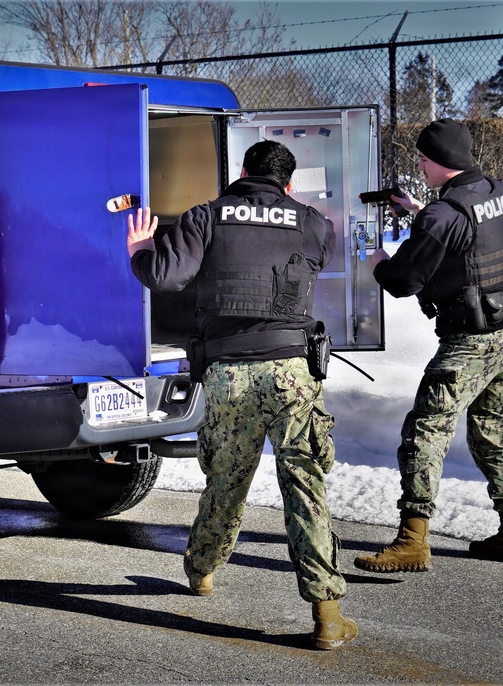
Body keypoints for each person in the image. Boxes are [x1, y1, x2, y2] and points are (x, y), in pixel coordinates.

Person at [126, 140, 356, 650]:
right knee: (306, 487)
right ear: (288, 184)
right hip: (293, 372)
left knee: (226, 480)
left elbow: (166, 276)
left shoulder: (205, 216)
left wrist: (140, 249)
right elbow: (315, 260)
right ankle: (327, 614)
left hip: (230, 371)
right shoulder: (315, 222)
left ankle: (202, 572)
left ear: (243, 172)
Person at [354, 118, 503, 574]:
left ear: (438, 162)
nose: (418, 164)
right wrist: (418, 211)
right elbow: (464, 235)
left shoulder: (443, 214)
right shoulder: (494, 191)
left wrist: (377, 258)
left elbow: (402, 280)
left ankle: (412, 541)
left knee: (424, 433)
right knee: (492, 432)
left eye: (421, 158)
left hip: (470, 341)